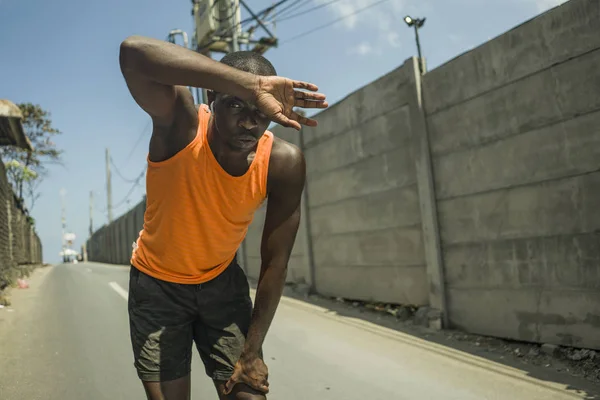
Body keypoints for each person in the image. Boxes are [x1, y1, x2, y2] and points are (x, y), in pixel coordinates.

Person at [119, 35, 328, 400]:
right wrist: (254, 86)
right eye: (236, 105)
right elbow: (132, 53)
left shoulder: (282, 163)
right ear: (211, 97)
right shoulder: (181, 126)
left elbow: (275, 262)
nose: (249, 122)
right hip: (157, 286)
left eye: (261, 111)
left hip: (221, 284)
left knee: (248, 393)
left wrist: (252, 352)